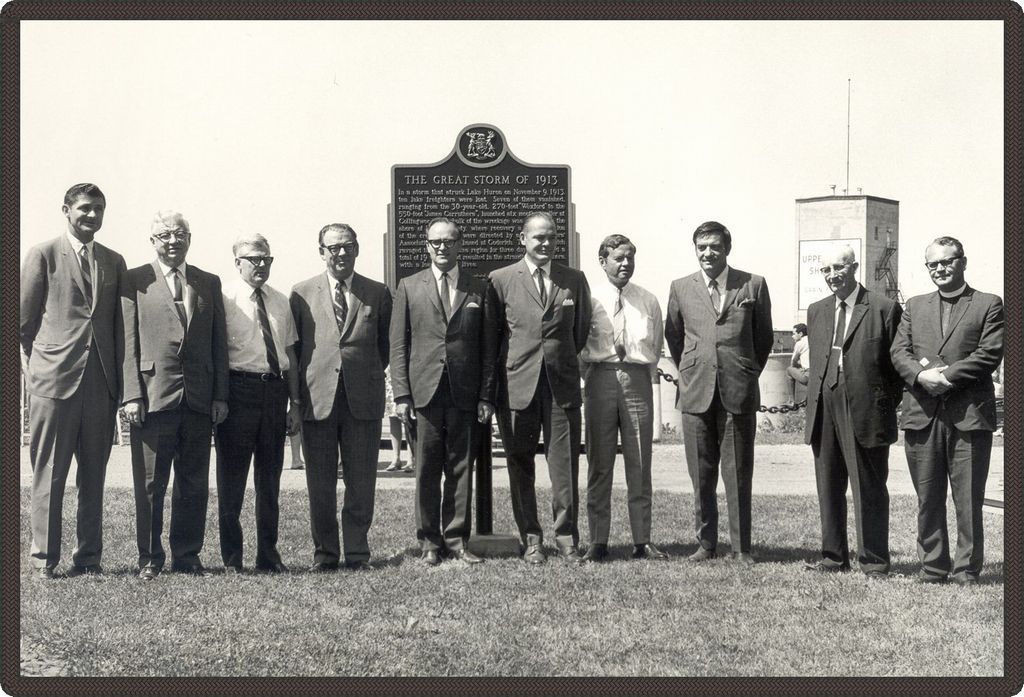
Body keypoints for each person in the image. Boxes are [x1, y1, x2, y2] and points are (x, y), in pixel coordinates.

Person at [20, 183, 126, 579]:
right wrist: (38, 375)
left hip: (100, 384)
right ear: (66, 210)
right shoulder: (43, 255)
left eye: (99, 208)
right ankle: (44, 560)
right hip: (54, 384)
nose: (92, 216)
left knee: (94, 475)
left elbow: (116, 326)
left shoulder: (114, 261)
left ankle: (89, 559)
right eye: (84, 209)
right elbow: (22, 327)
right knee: (49, 472)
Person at [121, 211, 229, 580]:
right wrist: (131, 395)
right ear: (152, 241)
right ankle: (150, 558)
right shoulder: (134, 281)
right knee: (151, 485)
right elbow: (128, 345)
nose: (172, 241)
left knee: (194, 483)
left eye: (179, 234)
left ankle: (187, 555)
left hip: (199, 400)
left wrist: (220, 396)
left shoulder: (208, 282)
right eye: (164, 235)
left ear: (189, 238)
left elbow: (219, 345)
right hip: (153, 399)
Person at [891, 237, 1004, 586]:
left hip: (969, 414)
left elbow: (989, 353)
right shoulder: (914, 305)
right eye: (932, 264)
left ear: (963, 262)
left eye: (947, 262)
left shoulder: (988, 304)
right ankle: (933, 567)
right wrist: (922, 376)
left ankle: (966, 570)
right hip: (922, 414)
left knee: (968, 498)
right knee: (928, 496)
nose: (939, 269)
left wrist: (947, 378)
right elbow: (899, 351)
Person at [482, 212, 592, 565]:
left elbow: (580, 332)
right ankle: (531, 539)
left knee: (564, 468)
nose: (545, 243)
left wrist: (558, 362)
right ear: (523, 239)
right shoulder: (500, 280)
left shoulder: (573, 280)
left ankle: (566, 538)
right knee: (520, 465)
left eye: (551, 238)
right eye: (538, 238)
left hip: (561, 388)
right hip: (517, 386)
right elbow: (494, 337)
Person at [664, 221, 773, 564]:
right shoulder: (681, 287)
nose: (707, 253)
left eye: (714, 246)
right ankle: (706, 544)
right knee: (702, 474)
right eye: (701, 247)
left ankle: (741, 548)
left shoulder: (752, 284)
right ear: (695, 250)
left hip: (736, 391)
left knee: (738, 474)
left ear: (727, 248)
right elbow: (675, 336)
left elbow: (764, 339)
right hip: (696, 392)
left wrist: (744, 368)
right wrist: (694, 368)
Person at [289, 223, 392, 572]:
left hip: (362, 399)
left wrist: (362, 373)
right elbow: (297, 349)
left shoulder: (376, 292)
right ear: (321, 252)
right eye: (333, 248)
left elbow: (386, 347)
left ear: (357, 249)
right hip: (318, 399)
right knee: (320, 483)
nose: (341, 253)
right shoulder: (301, 293)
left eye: (347, 246)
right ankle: (325, 555)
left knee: (361, 481)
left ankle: (358, 553)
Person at [390, 216, 491, 565]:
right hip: (424, 393)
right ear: (427, 245)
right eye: (436, 242)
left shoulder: (478, 287)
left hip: (464, 393)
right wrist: (402, 395)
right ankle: (430, 542)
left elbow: (487, 348)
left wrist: (485, 396)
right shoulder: (408, 286)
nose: (442, 248)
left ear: (459, 245)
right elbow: (398, 345)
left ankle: (457, 540)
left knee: (461, 468)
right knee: (426, 470)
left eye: (449, 241)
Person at [803, 245, 902, 579]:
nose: (833, 276)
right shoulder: (816, 311)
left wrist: (881, 403)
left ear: (854, 267)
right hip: (824, 403)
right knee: (828, 483)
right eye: (826, 270)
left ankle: (873, 561)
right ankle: (833, 556)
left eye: (839, 268)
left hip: (866, 407)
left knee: (869, 487)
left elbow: (896, 368)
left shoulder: (883, 308)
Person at [216, 234, 301, 574]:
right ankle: (232, 559)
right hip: (239, 391)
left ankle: (268, 554)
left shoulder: (281, 301)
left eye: (266, 258)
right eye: (253, 259)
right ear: (237, 262)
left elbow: (291, 354)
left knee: (270, 480)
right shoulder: (225, 300)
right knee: (232, 480)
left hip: (274, 392)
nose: (260, 264)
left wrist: (295, 403)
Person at [580, 235, 666, 563]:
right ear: (603, 262)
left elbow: (655, 346)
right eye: (618, 257)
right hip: (600, 378)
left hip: (637, 380)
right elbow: (581, 346)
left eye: (630, 257)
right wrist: (591, 375)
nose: (625, 263)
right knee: (599, 464)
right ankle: (597, 541)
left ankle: (642, 540)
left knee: (640, 463)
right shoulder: (590, 299)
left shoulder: (648, 300)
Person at [384, 367, 415, 473]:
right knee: (393, 417)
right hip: (391, 375)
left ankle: (411, 460)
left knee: (408, 418)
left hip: (407, 374)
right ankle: (395, 458)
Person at [787, 323, 809, 404]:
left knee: (789, 370)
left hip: (808, 378)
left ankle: (791, 401)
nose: (792, 336)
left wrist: (799, 366)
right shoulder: (814, 340)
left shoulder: (800, 343)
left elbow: (793, 362)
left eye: (794, 334)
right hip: (818, 377)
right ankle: (808, 398)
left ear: (800, 334)